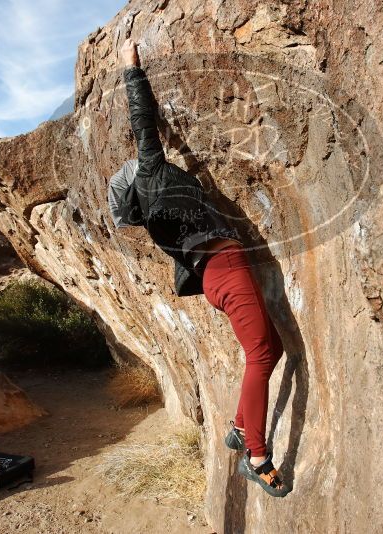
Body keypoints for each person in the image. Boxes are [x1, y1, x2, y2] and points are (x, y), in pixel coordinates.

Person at [107, 38, 290, 497]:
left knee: (274, 348)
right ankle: (256, 455)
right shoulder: (150, 175)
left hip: (217, 273)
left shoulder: (152, 211)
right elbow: (142, 122)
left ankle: (236, 428)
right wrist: (132, 68)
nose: (138, 161)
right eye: (135, 167)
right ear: (136, 181)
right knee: (262, 356)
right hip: (224, 267)